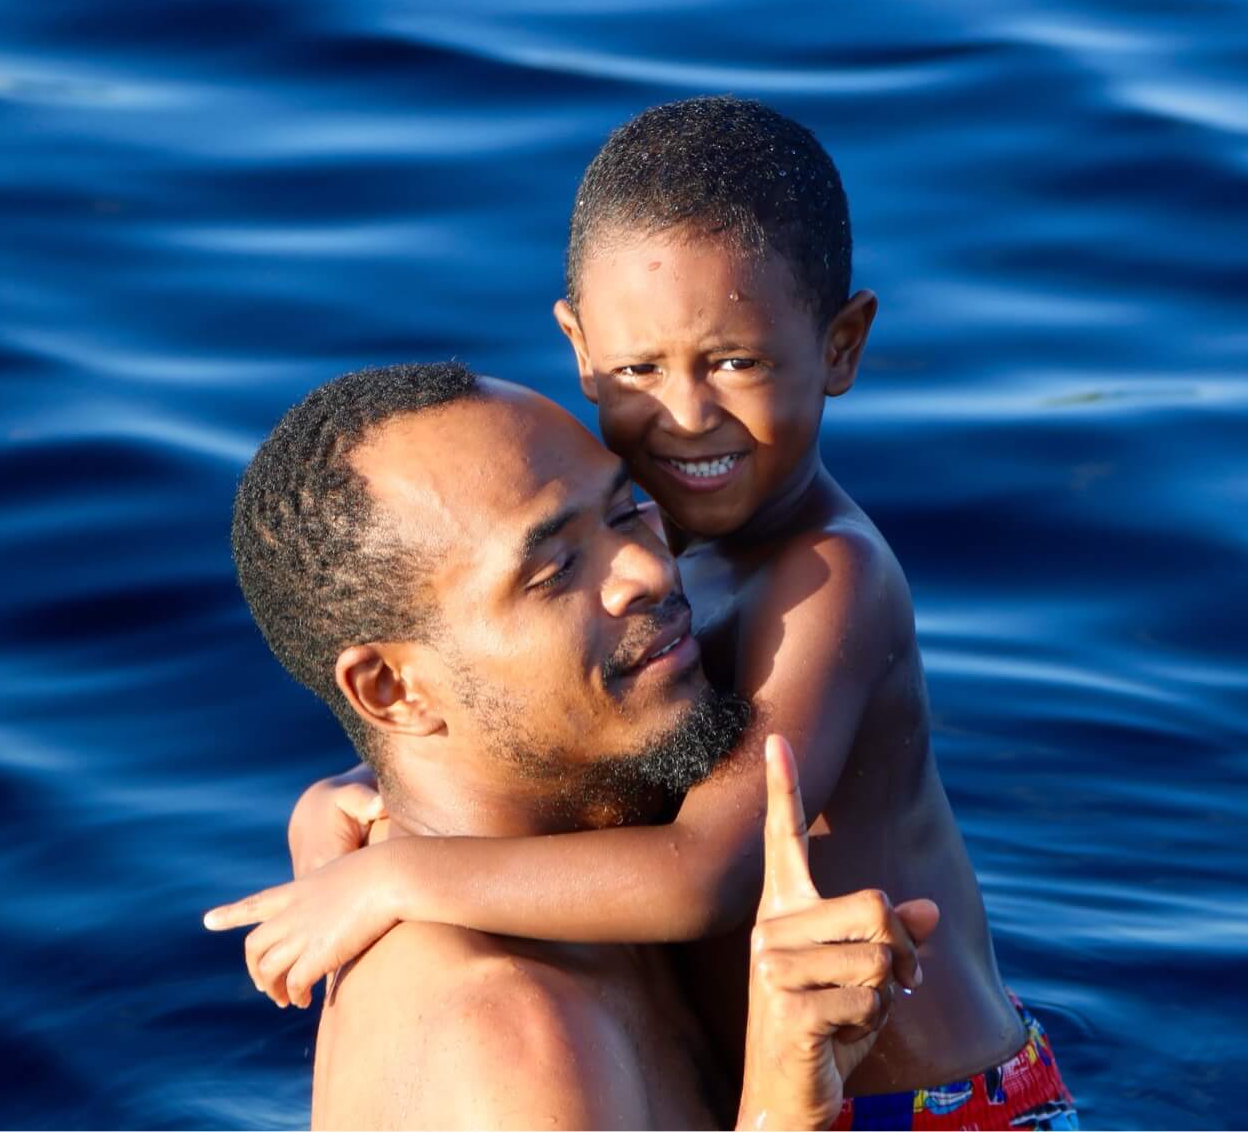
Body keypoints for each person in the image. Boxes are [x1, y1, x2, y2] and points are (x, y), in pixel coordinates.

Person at [207, 99, 1077, 1129]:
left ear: (840, 347)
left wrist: (395, 875)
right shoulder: (673, 551)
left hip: (933, 1104)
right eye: (637, 371)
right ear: (578, 348)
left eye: (736, 363)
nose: (687, 414)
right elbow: (502, 724)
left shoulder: (826, 577)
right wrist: (343, 795)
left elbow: (705, 871)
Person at [222, 362, 937, 1129]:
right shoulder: (511, 1036)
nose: (651, 569)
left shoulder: (592, 822)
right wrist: (784, 1104)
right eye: (555, 569)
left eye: (627, 511)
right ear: (393, 692)